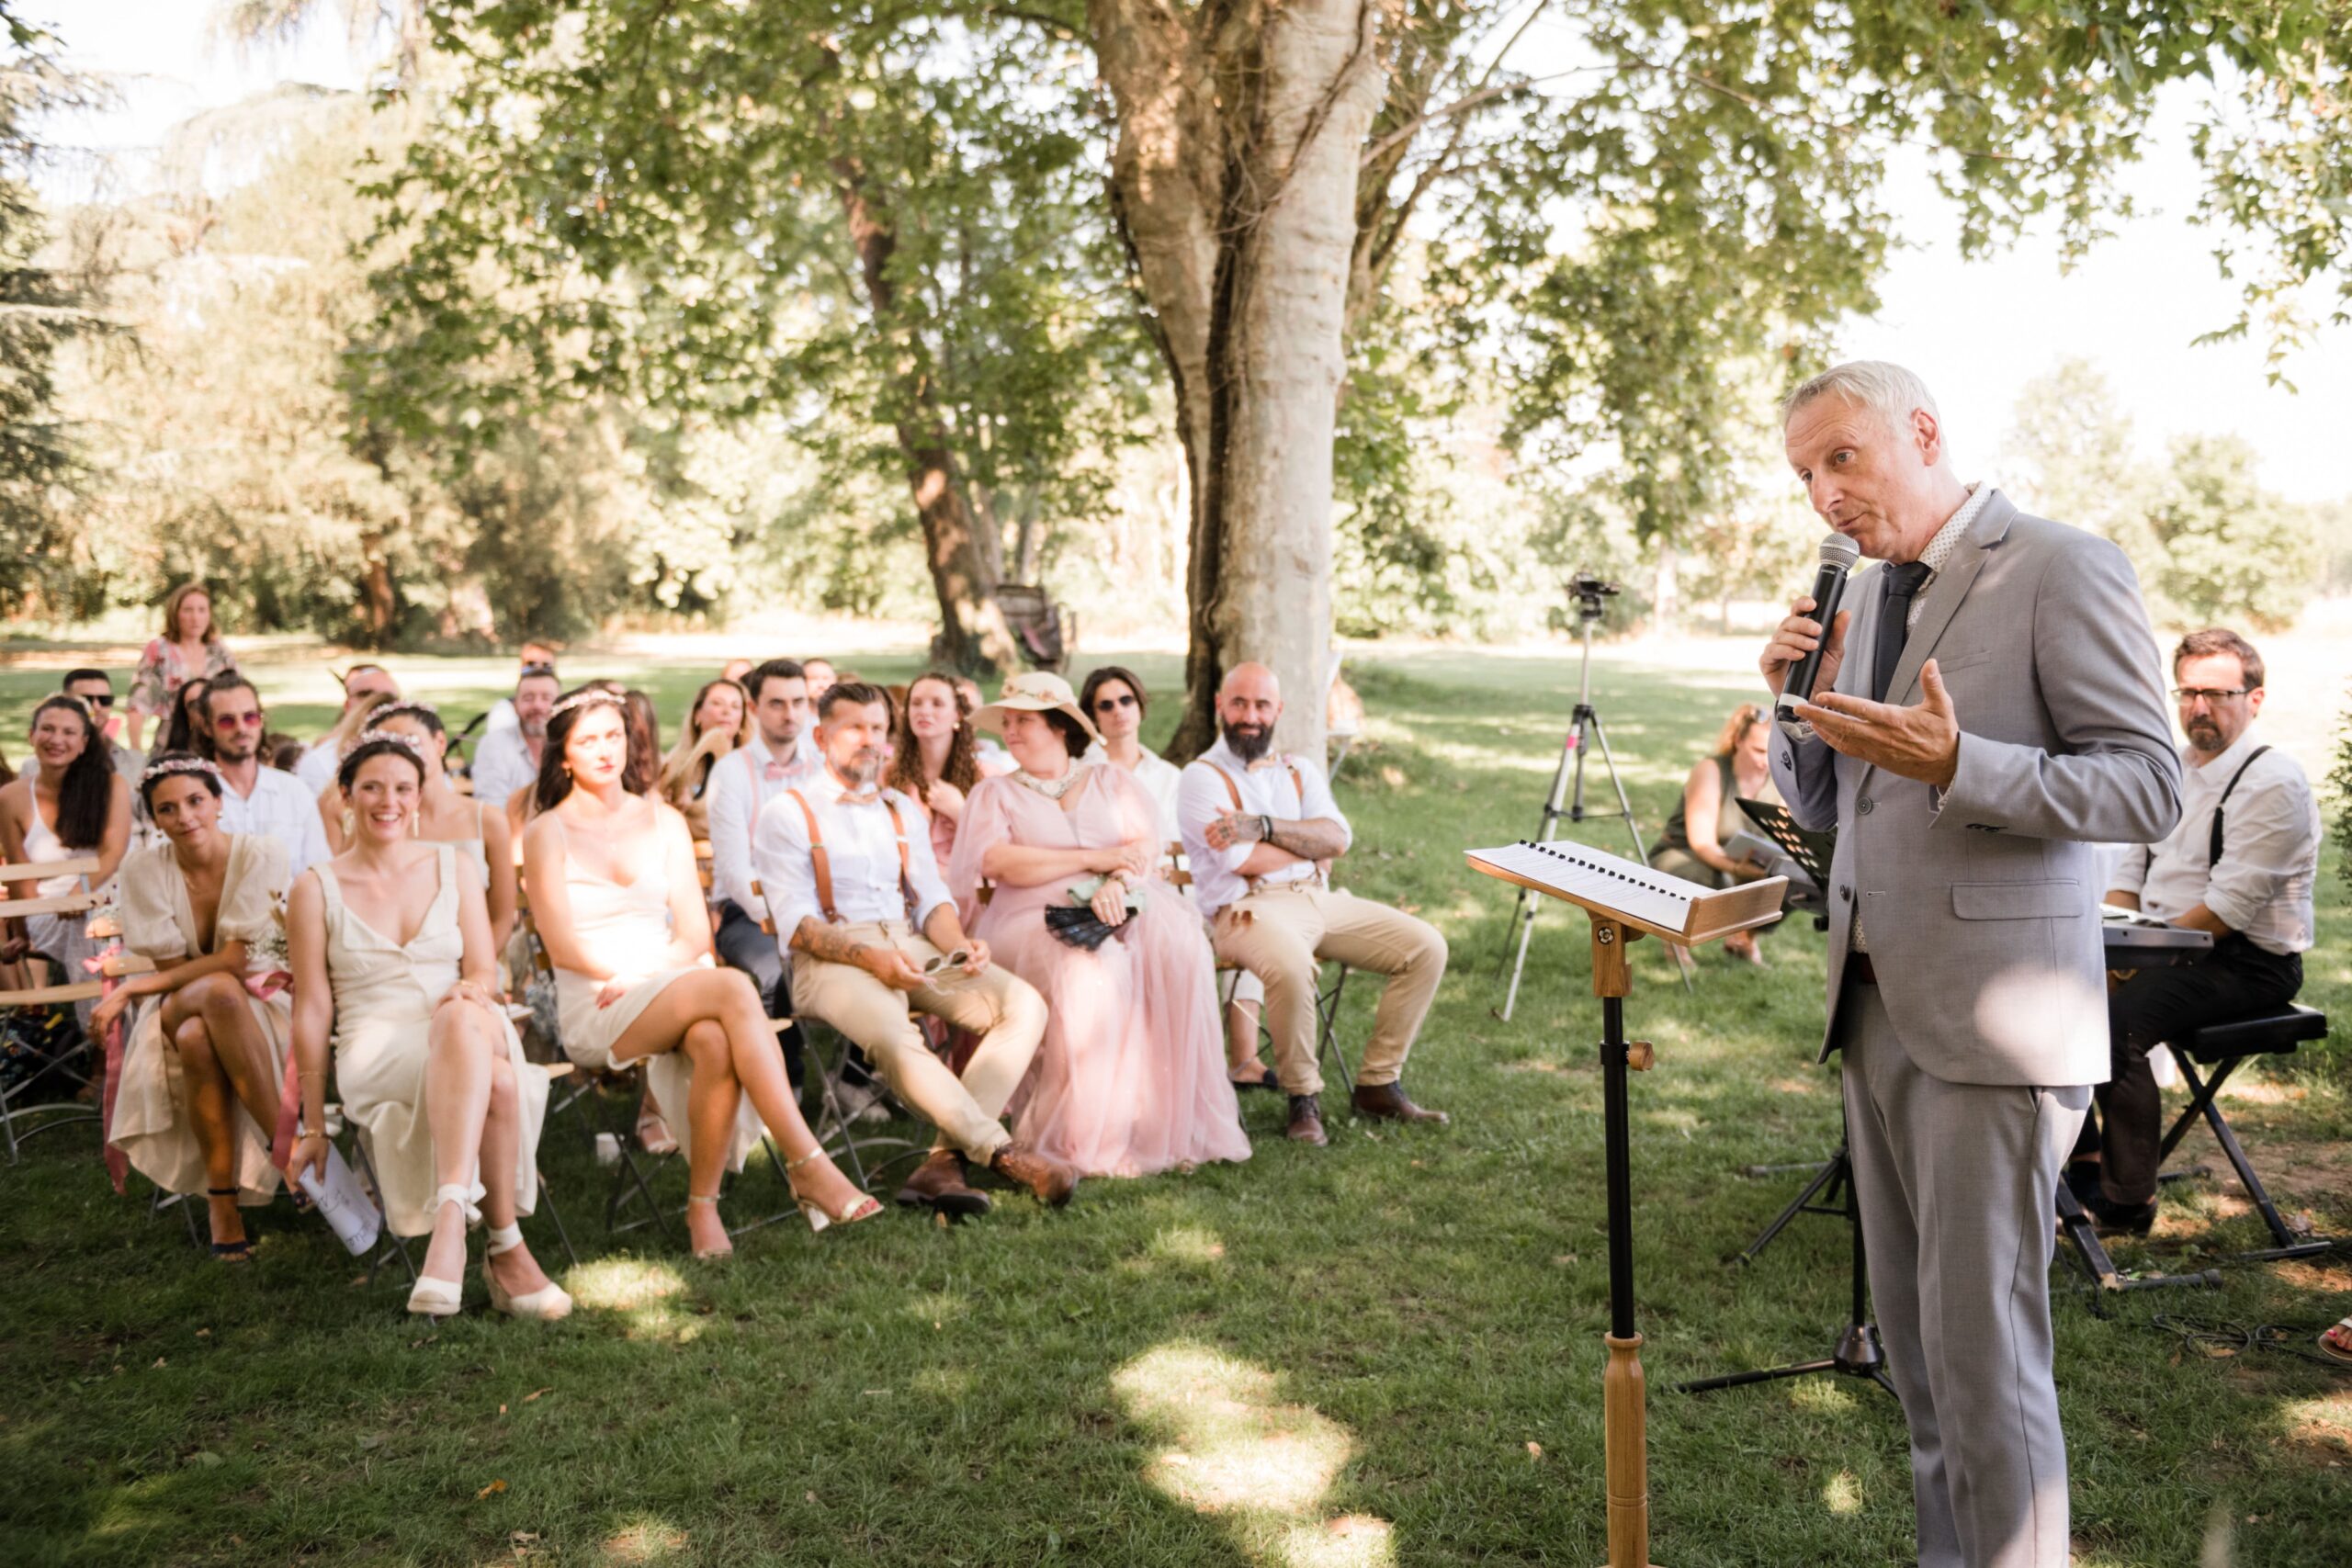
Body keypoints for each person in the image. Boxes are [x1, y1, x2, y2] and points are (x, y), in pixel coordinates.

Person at [1760, 361, 2181, 1568]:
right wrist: (1789, 703)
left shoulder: (2059, 565)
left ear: (1924, 431)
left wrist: (1964, 765)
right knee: (1919, 1350)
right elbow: (1838, 806)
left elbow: (2147, 785)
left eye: (1842, 458)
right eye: (1805, 475)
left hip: (1995, 1021)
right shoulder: (1863, 595)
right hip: (1875, 1006)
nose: (1823, 495)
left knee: (1984, 1357)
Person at [521, 687, 880, 1258]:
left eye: (613, 735)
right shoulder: (546, 831)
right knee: (734, 985)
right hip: (599, 998)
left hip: (669, 980)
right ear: (563, 754)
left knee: (714, 1037)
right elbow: (564, 949)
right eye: (587, 741)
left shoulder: (664, 822)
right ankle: (807, 1162)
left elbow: (693, 936)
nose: (605, 750)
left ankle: (702, 1210)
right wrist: (636, 973)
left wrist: (648, 970)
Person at [752, 682, 1070, 1216]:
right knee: (893, 1035)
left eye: (878, 729)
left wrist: (960, 945)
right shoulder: (787, 812)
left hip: (909, 943)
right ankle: (1003, 1154)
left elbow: (929, 898)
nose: (869, 740)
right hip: (831, 960)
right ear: (821, 737)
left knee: (1024, 1006)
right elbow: (798, 927)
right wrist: (874, 961)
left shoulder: (899, 808)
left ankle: (943, 1163)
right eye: (854, 728)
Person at [287, 734, 571, 1319]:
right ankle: (505, 1248)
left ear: (419, 797)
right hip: (375, 1045)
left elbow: (483, 968)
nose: (388, 801)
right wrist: (313, 1123)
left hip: (461, 1019)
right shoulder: (314, 888)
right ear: (346, 795)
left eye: (402, 788)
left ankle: (448, 1225)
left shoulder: (454, 865)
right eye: (371, 787)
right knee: (496, 1080)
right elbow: (312, 1009)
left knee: (461, 1013)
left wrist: (473, 991)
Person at [2072, 628, 2320, 1236]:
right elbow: (2128, 874)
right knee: (2048, 994)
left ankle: (2128, 1203)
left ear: (2255, 699)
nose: (2199, 708)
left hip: (2246, 961)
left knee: (2116, 1023)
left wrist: (2128, 961)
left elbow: (2225, 911)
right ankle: (2084, 1162)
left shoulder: (2273, 781)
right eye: (2188, 692)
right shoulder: (2174, 768)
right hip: (2162, 945)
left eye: (2217, 694)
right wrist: (2113, 944)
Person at [950, 673, 1250, 1178]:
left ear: (1060, 727)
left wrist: (1117, 880)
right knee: (1095, 966)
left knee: (1179, 946)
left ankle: (1164, 1121)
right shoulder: (995, 793)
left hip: (1118, 900)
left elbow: (1143, 847)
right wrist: (1093, 858)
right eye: (1008, 722)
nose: (1010, 731)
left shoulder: (1111, 782)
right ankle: (1087, 1136)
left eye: (1023, 721)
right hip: (1030, 917)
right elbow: (999, 862)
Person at [1178, 662, 1451, 1146]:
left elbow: (1339, 839)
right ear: (1220, 705)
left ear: (1278, 710)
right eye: (1239, 703)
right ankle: (1302, 1096)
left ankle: (1378, 1084)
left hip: (1316, 898)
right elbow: (1240, 860)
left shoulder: (1299, 771)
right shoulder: (1201, 777)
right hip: (1246, 910)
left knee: (1426, 946)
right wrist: (1308, 844)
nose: (1250, 716)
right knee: (1291, 965)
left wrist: (1263, 827)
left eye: (1262, 705)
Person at [97, 755, 293, 1261]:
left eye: (195, 801)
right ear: (155, 820)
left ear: (218, 802)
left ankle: (222, 1205)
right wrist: (145, 990)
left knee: (198, 1039)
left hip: (259, 1002)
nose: (185, 817)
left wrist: (133, 988)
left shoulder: (262, 853)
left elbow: (236, 961)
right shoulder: (143, 867)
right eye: (167, 809)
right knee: (216, 994)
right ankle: (289, 1149)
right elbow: (184, 970)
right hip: (178, 1002)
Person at [1082, 664, 1272, 1092]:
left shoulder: (1169, 776)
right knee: (1170, 943)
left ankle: (1244, 1059)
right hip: (1111, 897)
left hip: (1178, 894)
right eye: (1105, 705)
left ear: (1140, 706)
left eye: (1126, 700)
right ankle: (1155, 1067)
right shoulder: (1084, 773)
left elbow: (1190, 845)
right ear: (1093, 716)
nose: (1118, 711)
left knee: (1251, 927)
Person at [318, 703, 519, 953]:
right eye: (390, 744)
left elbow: (502, 918)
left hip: (479, 960)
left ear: (440, 743)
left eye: (412, 741)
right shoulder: (377, 824)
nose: (401, 753)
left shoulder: (487, 820)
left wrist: (477, 969)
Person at [0, 696, 135, 1015]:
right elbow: (20, 872)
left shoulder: (111, 786)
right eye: (47, 729)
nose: (56, 739)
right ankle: (103, 1029)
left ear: (84, 742)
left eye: (69, 732)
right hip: (50, 913)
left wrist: (79, 894)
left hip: (105, 897)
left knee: (102, 920)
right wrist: (22, 933)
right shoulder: (11, 797)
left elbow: (113, 852)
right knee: (90, 925)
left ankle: (127, 1022)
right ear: (32, 735)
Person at [704, 659, 819, 1022]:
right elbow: (736, 872)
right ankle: (784, 1061)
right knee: (779, 974)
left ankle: (858, 1061)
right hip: (750, 912)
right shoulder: (729, 773)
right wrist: (789, 923)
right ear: (753, 709)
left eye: (798, 702)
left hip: (820, 903)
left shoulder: (822, 767)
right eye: (777, 704)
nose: (790, 715)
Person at [1647, 703, 1784, 965]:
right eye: (1758, 750)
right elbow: (1702, 844)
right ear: (1738, 741)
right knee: (1712, 878)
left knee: (1788, 882)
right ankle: (1676, 942)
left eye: (1772, 752)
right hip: (1684, 854)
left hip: (1740, 859)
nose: (1765, 761)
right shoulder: (1711, 770)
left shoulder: (1778, 779)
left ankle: (1744, 939)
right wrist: (1736, 870)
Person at [203, 675, 331, 877]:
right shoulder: (196, 796)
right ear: (207, 728)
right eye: (227, 721)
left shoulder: (295, 791)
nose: (241, 728)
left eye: (250, 717)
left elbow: (319, 871)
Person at [888, 671, 991, 870]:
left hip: (967, 882)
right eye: (916, 703)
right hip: (907, 882)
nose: (924, 711)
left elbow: (998, 850)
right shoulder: (887, 774)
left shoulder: (986, 777)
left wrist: (960, 813)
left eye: (937, 704)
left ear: (958, 714)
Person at [126, 582, 236, 752]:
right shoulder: (159, 650)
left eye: (202, 610)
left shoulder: (218, 650)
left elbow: (239, 695)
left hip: (217, 745)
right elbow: (137, 705)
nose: (195, 617)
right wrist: (136, 751)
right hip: (173, 745)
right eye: (188, 610)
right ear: (175, 613)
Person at [656, 678, 753, 841]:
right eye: (717, 703)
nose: (726, 711)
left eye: (735, 706)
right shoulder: (676, 762)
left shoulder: (751, 766)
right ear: (698, 714)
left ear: (742, 721)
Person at [296, 664, 402, 795]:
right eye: (365, 694)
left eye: (387, 698)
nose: (375, 702)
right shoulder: (320, 762)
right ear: (347, 705)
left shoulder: (418, 755)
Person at [469, 663, 560, 811]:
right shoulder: (494, 745)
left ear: (560, 704)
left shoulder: (572, 744)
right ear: (515, 705)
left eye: (546, 698)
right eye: (528, 698)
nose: (537, 705)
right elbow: (492, 810)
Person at [62, 668, 144, 785]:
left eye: (104, 700)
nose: (97, 707)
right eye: (86, 700)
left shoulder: (136, 763)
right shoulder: (44, 765)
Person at [480, 642, 559, 742]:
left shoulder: (567, 706)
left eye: (546, 666)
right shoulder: (503, 711)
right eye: (531, 664)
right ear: (521, 667)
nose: (538, 670)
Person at [158, 675, 215, 760]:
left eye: (205, 699)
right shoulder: (176, 762)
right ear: (188, 720)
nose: (202, 707)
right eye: (194, 705)